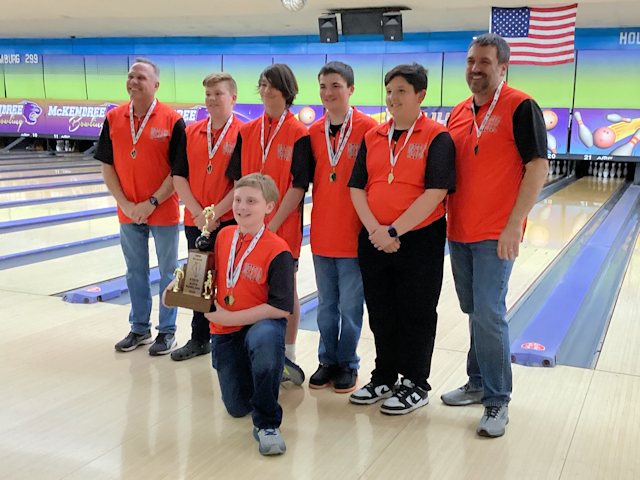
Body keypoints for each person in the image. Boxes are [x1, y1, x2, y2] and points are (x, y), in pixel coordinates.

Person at [442, 33, 548, 437]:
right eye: (471, 61)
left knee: (489, 312)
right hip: (459, 231)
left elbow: (538, 166)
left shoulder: (521, 106)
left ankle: (497, 399)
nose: (475, 69)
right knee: (475, 311)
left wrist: (513, 226)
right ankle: (476, 382)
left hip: (495, 234)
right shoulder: (456, 112)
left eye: (484, 62)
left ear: (503, 67)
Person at [347, 63, 456, 414]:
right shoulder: (373, 136)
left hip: (419, 239)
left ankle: (414, 382)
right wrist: (376, 232)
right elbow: (356, 188)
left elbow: (436, 192)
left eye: (401, 91)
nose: (392, 98)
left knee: (416, 312)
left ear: (420, 95)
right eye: (389, 91)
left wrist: (394, 230)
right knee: (381, 312)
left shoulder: (437, 136)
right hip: (375, 239)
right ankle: (384, 375)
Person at [164, 173, 294, 456]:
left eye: (251, 201)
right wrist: (179, 286)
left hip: (260, 324)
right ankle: (269, 367)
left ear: (269, 207)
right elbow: (200, 270)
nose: (242, 207)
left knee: (265, 341)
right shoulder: (223, 236)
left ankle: (268, 423)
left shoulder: (278, 250)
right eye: (238, 200)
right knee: (237, 407)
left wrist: (227, 318)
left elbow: (281, 308)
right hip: (225, 331)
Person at [226, 63, 311, 383]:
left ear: (287, 90)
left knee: (285, 295)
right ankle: (253, 353)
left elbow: (299, 185)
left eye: (272, 84)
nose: (266, 89)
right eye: (262, 84)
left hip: (281, 230)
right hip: (247, 231)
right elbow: (236, 180)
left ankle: (287, 358)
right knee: (248, 291)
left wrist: (271, 225)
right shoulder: (246, 132)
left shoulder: (299, 133)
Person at [96, 57, 185, 355]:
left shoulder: (173, 120)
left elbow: (178, 171)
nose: (133, 81)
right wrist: (125, 203)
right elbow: (107, 166)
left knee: (168, 272)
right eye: (131, 76)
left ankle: (168, 331)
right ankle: (139, 328)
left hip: (162, 209)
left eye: (141, 78)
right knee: (135, 272)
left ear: (156, 85)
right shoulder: (112, 118)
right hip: (128, 210)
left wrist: (151, 202)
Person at [307, 61, 378, 393]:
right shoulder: (312, 132)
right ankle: (326, 360)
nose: (328, 93)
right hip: (322, 233)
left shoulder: (370, 129)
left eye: (335, 85)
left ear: (350, 89)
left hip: (354, 235)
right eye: (323, 86)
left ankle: (348, 362)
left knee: (351, 307)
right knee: (325, 307)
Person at [171, 72, 243, 361]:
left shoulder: (243, 132)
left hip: (228, 221)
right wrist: (199, 213)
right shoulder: (191, 132)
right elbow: (178, 175)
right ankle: (199, 339)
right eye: (208, 94)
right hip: (196, 222)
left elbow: (241, 182)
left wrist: (214, 214)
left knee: (228, 282)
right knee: (196, 281)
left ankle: (230, 338)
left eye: (218, 94)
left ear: (233, 98)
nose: (212, 99)